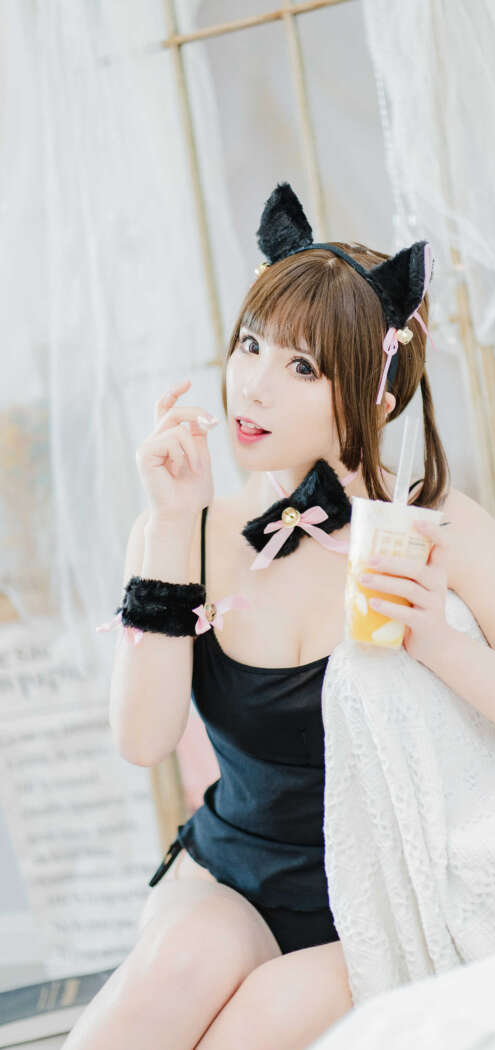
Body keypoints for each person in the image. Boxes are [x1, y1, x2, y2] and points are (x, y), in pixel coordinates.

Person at [67, 183, 452, 1050]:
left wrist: (441, 638)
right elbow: (143, 740)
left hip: (371, 908)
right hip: (229, 875)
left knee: (250, 1030)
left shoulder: (429, 533)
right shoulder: (185, 529)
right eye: (251, 345)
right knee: (171, 973)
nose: (253, 386)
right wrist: (173, 525)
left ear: (377, 395)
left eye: (302, 367)